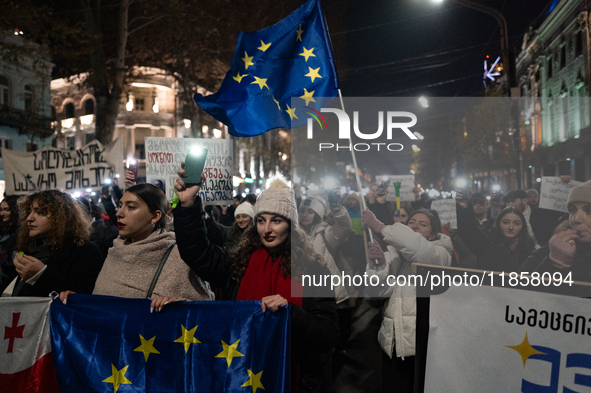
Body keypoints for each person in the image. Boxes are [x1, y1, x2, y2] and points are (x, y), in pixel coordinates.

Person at [173, 170, 338, 393]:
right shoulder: (238, 263)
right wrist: (188, 206)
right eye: (261, 221)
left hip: (296, 381)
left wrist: (290, 313)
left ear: (290, 225)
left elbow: (327, 334)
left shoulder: (314, 270)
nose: (267, 229)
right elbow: (198, 254)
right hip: (242, 375)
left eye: (276, 221)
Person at [61, 184, 213, 310]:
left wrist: (177, 306)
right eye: (120, 206)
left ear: (155, 216)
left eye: (131, 207)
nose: (119, 213)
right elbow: (103, 307)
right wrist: (79, 302)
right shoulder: (115, 251)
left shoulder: (180, 255)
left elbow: (203, 309)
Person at [362, 208, 452, 393]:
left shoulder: (440, 253)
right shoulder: (394, 254)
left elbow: (418, 249)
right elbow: (378, 292)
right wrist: (379, 265)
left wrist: (379, 226)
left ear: (433, 234)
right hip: (395, 341)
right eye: (412, 222)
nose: (415, 225)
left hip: (423, 343)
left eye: (423, 224)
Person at [10, 190, 104, 297]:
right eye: (29, 211)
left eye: (40, 212)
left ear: (61, 217)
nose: (29, 218)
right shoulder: (31, 248)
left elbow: (84, 297)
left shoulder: (86, 252)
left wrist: (41, 275)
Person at [523, 179, 591, 283]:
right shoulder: (544, 254)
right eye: (573, 210)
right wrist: (554, 266)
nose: (576, 219)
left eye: (588, 211)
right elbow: (524, 296)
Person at [299, 189, 352, 304]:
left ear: (318, 214)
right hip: (302, 290)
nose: (305, 215)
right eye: (302, 211)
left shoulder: (324, 233)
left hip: (325, 290)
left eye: (310, 211)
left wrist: (336, 208)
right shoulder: (295, 235)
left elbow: (345, 227)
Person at [457, 201, 536, 272]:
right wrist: (465, 207)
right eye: (506, 222)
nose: (511, 227)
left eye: (516, 223)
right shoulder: (486, 243)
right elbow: (467, 230)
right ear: (498, 224)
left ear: (523, 226)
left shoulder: (530, 246)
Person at [0, 195, 20, 292]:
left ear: (14, 210)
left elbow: (17, 258)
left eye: (6, 210)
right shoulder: (3, 229)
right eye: (1, 209)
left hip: (9, 278)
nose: (2, 213)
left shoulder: (19, 233)